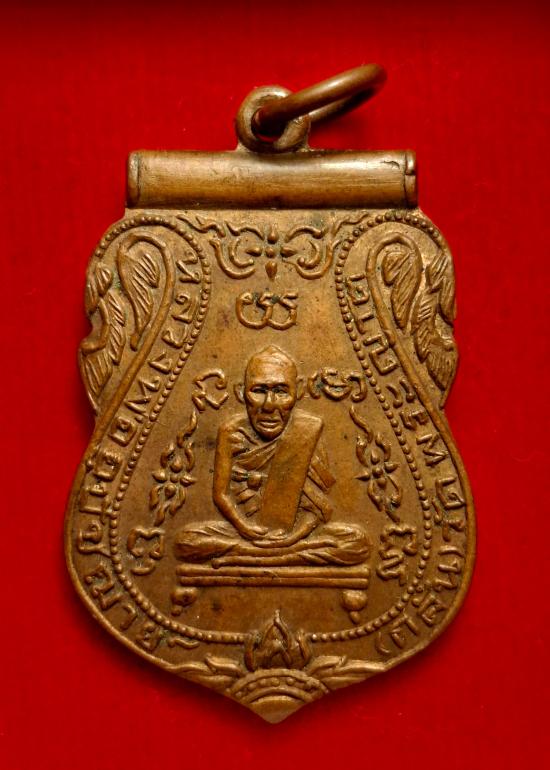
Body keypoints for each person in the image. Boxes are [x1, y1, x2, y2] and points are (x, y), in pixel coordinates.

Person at [174, 345, 369, 567]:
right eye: (258, 391)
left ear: (299, 391)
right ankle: (277, 555)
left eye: (281, 391)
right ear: (240, 392)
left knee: (357, 543)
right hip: (241, 532)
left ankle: (256, 555)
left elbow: (318, 506)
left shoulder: (308, 430)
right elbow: (221, 494)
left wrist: (292, 539)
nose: (269, 405)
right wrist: (245, 529)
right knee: (186, 542)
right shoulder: (231, 432)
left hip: (295, 536)